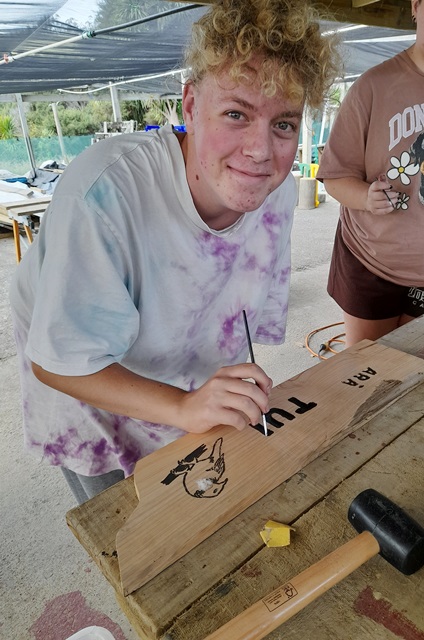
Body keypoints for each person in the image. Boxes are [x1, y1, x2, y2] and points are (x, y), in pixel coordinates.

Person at [9, 0, 340, 505]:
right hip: (89, 392)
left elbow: (236, 322)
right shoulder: (105, 194)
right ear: (189, 106)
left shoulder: (276, 194)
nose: (260, 151)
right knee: (124, 525)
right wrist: (184, 407)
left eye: (284, 125)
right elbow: (59, 361)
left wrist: (201, 403)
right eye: (236, 114)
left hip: (184, 386)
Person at [317, 0, 424, 347]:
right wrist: (365, 197)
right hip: (370, 262)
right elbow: (334, 177)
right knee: (369, 367)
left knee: (411, 370)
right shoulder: (373, 86)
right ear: (416, 6)